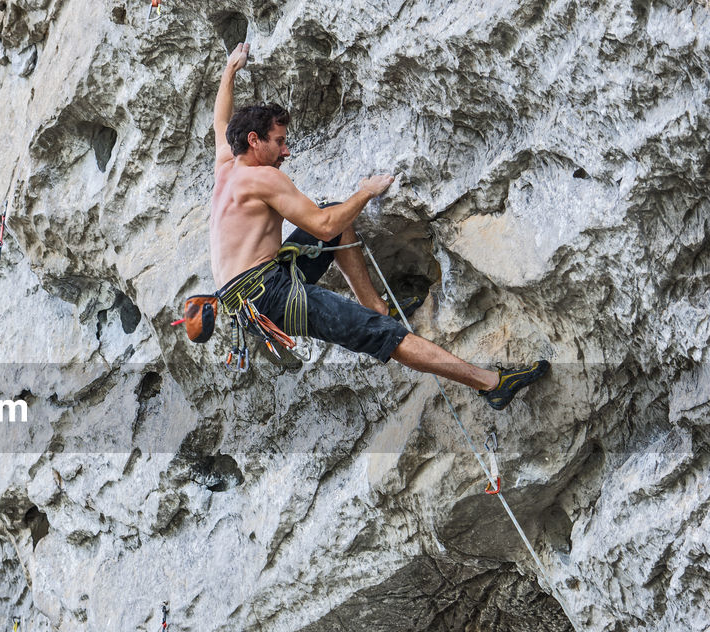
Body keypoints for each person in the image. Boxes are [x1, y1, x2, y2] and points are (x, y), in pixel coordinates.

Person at [208, 42, 547, 410]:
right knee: (382, 334)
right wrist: (365, 193)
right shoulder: (263, 178)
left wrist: (231, 70)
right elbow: (322, 226)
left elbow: (220, 121)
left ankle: (377, 305)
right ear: (254, 141)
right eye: (279, 142)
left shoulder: (227, 164)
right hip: (269, 295)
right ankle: (491, 384)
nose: (286, 151)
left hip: (248, 292)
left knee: (339, 216)